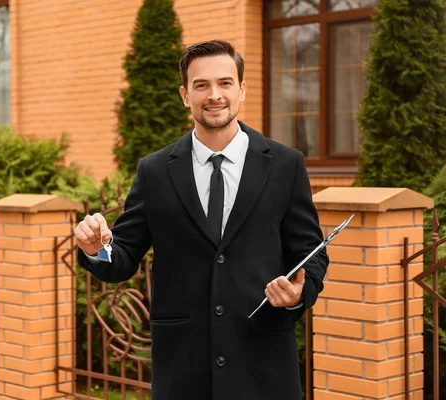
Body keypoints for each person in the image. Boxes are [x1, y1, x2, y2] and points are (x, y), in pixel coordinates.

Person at [74, 39, 329, 400]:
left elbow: (312, 251)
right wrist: (97, 249)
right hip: (183, 368)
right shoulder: (155, 170)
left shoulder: (286, 165)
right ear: (185, 94)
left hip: (264, 363)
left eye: (225, 83)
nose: (215, 95)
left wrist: (300, 292)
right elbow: (124, 256)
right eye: (201, 85)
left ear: (242, 90)